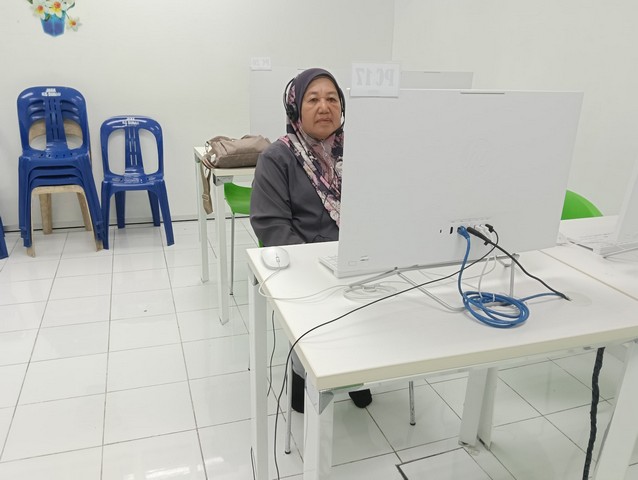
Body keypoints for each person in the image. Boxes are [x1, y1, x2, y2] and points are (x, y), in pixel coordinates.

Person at [250, 68, 372, 412]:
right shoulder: (277, 158)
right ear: (295, 109)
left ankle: (356, 370)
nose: (324, 107)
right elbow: (272, 226)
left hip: (360, 262)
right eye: (313, 99)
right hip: (307, 269)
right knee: (319, 324)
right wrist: (318, 266)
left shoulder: (361, 151)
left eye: (332, 99)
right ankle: (302, 373)